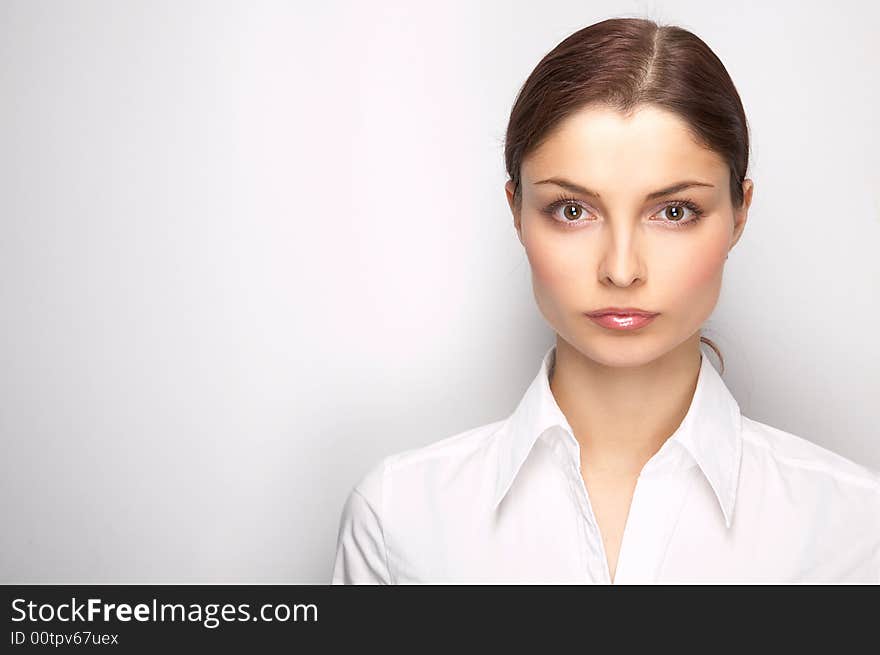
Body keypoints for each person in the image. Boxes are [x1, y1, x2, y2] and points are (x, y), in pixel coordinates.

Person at [331, 17, 880, 584]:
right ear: (516, 211)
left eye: (674, 211)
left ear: (739, 213)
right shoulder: (398, 520)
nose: (621, 270)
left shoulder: (855, 532)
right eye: (572, 210)